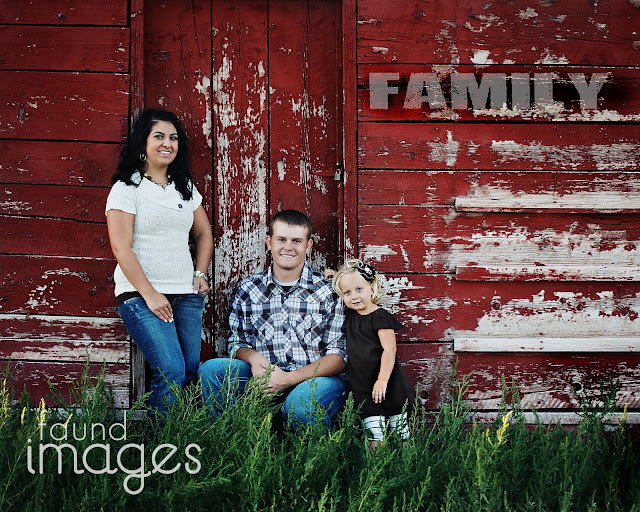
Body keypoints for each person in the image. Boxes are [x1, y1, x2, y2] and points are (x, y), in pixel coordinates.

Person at [106, 109, 213, 418]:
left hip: (186, 295)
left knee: (189, 371)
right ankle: (160, 445)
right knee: (171, 371)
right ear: (143, 143)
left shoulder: (184, 187)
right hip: (141, 297)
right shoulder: (126, 189)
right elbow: (121, 248)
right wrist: (151, 294)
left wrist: (200, 272)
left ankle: (181, 437)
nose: (168, 143)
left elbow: (204, 234)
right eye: (159, 136)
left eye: (173, 138)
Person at [197, 209, 347, 430]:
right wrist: (254, 358)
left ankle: (312, 452)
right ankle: (228, 442)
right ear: (269, 242)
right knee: (212, 370)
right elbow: (237, 343)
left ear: (308, 245)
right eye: (281, 239)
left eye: (297, 241)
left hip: (316, 380)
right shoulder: (248, 290)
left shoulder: (328, 291)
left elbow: (339, 356)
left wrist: (288, 379)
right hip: (264, 377)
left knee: (302, 406)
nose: (288, 247)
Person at [332, 259, 415, 453]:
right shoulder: (351, 316)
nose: (354, 296)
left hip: (388, 383)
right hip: (363, 385)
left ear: (371, 287)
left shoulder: (380, 316)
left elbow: (389, 349)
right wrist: (333, 275)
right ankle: (376, 467)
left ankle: (407, 464)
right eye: (347, 292)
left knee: (400, 431)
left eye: (359, 289)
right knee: (374, 433)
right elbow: (344, 284)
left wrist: (382, 380)